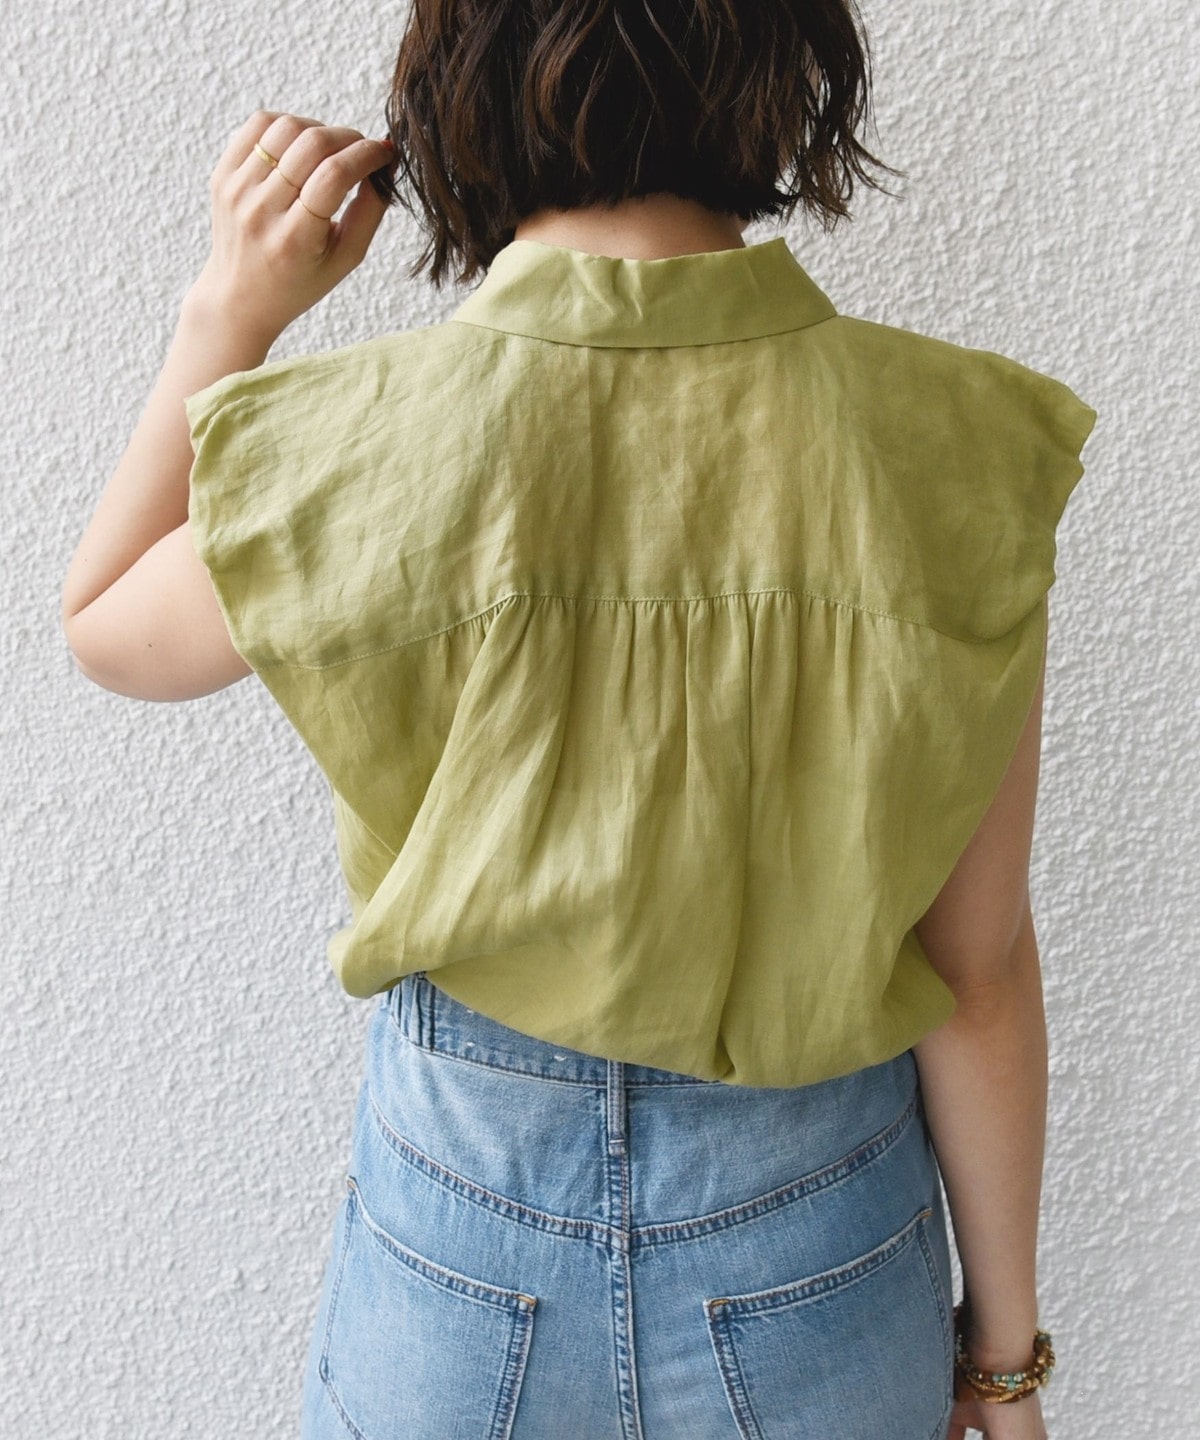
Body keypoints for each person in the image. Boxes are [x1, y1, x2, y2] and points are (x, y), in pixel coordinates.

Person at [60, 1, 1095, 1436]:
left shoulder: (366, 439)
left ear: (457, 92)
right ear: (786, 74)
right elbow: (975, 971)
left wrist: (228, 310)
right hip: (820, 1230)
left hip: (461, 1222)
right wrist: (1005, 1364)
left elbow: (106, 626)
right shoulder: (958, 449)